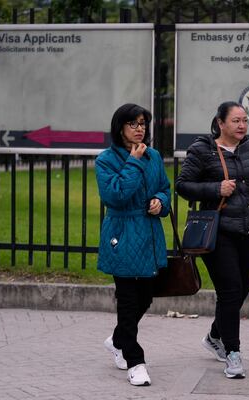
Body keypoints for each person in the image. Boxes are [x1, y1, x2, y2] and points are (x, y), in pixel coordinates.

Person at [175, 101, 249, 379]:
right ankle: (233, 353)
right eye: (236, 121)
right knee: (230, 291)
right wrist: (215, 188)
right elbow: (182, 185)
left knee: (241, 290)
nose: (242, 126)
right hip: (218, 232)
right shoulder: (202, 150)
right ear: (220, 123)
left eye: (245, 121)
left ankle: (214, 336)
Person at [95, 103, 171, 386]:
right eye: (133, 124)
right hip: (122, 235)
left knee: (146, 296)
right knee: (127, 300)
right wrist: (134, 162)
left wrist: (160, 202)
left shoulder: (154, 156)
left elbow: (164, 187)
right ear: (120, 128)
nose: (140, 129)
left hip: (149, 236)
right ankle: (135, 361)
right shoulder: (105, 160)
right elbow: (115, 196)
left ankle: (117, 340)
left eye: (142, 124)